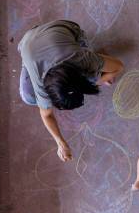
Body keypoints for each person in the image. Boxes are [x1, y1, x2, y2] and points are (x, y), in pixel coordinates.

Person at [18, 20, 124, 162]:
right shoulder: (40, 84)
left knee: (93, 77)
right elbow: (46, 115)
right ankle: (99, 67)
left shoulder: (81, 59)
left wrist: (99, 80)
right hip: (28, 42)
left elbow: (119, 67)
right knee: (28, 97)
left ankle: (100, 60)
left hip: (66, 29)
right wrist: (61, 143)